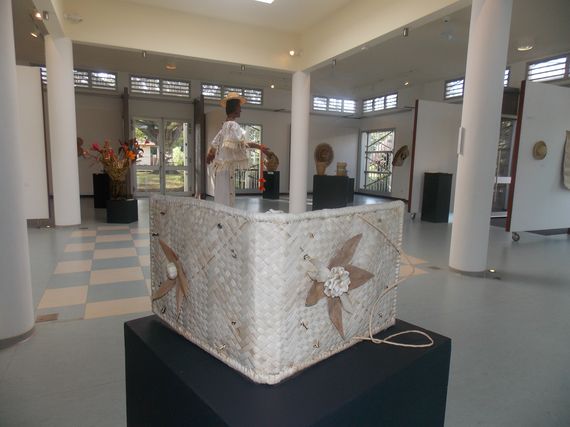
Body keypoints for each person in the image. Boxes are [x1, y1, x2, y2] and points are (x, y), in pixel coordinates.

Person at [206, 92, 269, 207]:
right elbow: (242, 144)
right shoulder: (233, 125)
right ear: (235, 108)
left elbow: (213, 146)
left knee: (221, 200)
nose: (241, 110)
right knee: (226, 201)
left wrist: (210, 155)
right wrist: (259, 147)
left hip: (220, 170)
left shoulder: (224, 126)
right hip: (226, 170)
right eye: (239, 107)